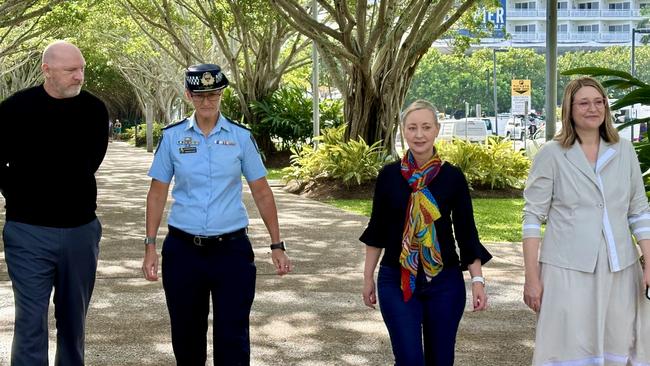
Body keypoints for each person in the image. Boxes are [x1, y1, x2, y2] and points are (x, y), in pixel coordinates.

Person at [142, 63, 291, 365]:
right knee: (186, 338)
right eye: (200, 95)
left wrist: (277, 245)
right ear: (188, 95)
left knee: (233, 338)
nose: (207, 102)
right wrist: (150, 246)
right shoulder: (172, 138)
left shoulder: (240, 137)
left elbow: (262, 191)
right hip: (183, 251)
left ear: (222, 94)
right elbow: (157, 193)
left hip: (231, 252)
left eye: (213, 94)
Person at [523, 76, 650, 365]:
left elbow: (639, 210)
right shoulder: (552, 155)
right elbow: (532, 217)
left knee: (619, 343)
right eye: (583, 103)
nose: (592, 108)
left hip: (620, 268)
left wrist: (649, 263)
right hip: (566, 270)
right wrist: (532, 278)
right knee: (567, 347)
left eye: (598, 101)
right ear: (569, 109)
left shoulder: (624, 150)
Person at [0, 40, 108, 365]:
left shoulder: (94, 109)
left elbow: (92, 161)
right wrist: (18, 193)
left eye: (82, 69)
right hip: (27, 232)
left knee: (74, 323)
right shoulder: (15, 108)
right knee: (31, 321)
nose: (79, 77)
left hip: (81, 231)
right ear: (47, 70)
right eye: (71, 70)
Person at [360, 99, 492, 365]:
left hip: (444, 281)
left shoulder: (452, 177)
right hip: (397, 279)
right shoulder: (388, 175)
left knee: (441, 360)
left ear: (437, 129)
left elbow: (467, 233)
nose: (419, 134)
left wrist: (478, 281)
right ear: (403, 131)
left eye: (425, 127)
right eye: (412, 128)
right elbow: (377, 230)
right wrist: (367, 278)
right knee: (409, 359)